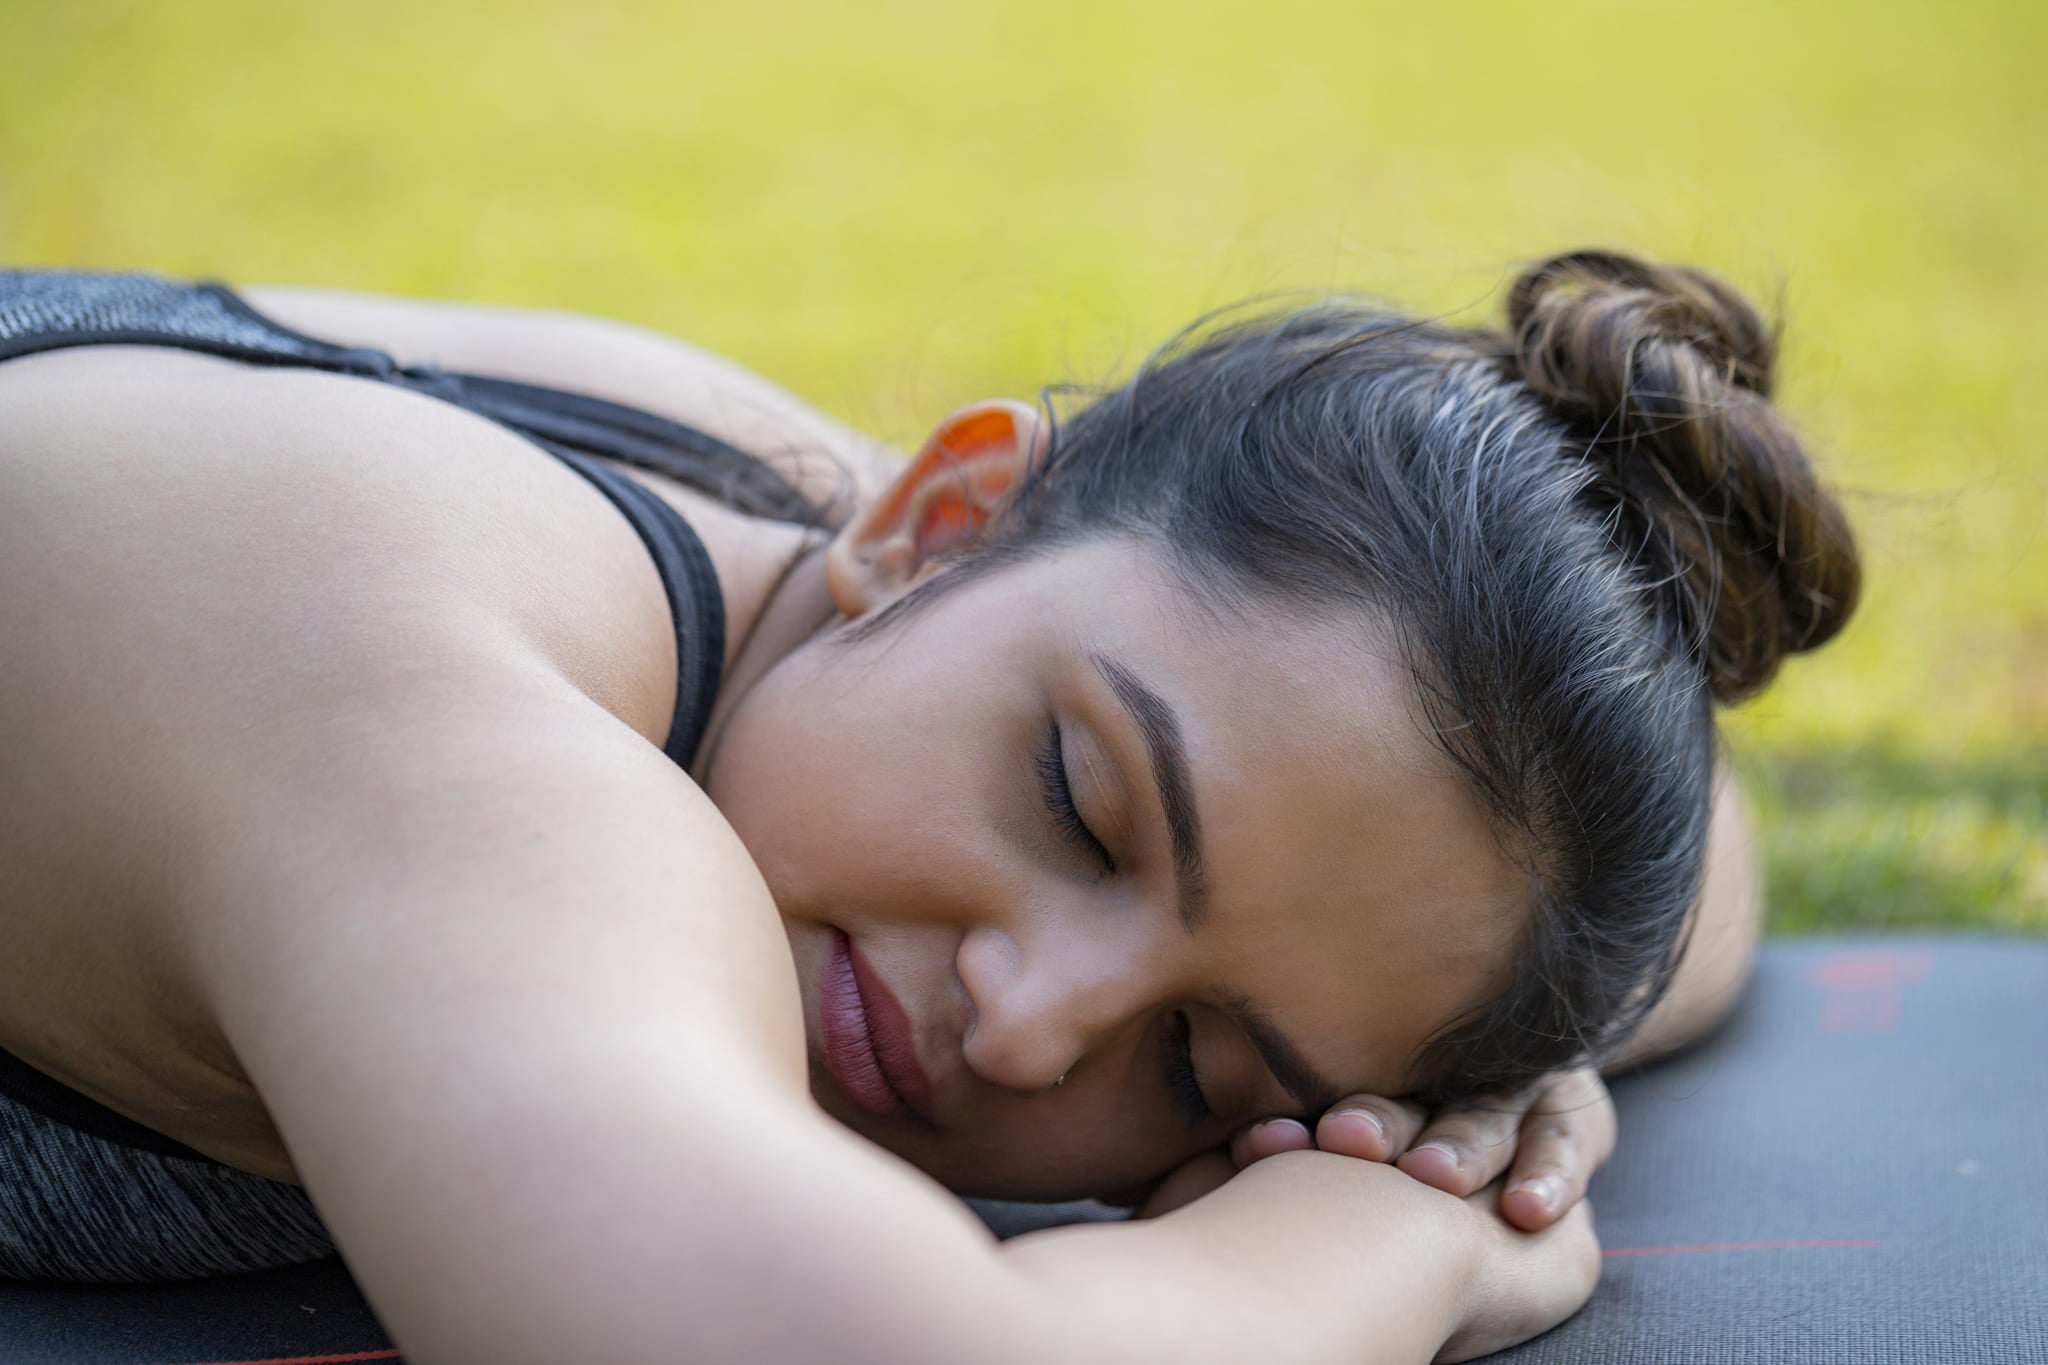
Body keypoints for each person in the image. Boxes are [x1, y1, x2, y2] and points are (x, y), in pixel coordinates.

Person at [0, 251, 1855, 1362]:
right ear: (942, 517)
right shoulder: (465, 736)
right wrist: (1378, 1244)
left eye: (1204, 1072)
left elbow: (1709, 866)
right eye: (1078, 802)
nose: (1033, 1020)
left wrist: (1481, 1076)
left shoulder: (842, 571)